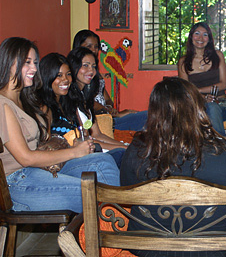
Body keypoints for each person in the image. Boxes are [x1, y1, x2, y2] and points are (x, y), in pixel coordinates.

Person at [120, 77, 226, 256]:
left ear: (154, 113)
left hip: (147, 251)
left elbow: (126, 196)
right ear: (199, 109)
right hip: (211, 251)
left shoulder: (136, 151)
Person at [0, 37, 119, 213]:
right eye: (27, 62)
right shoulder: (3, 105)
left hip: (39, 170)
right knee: (92, 193)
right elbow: (25, 158)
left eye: (35, 62)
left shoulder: (24, 99)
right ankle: (114, 230)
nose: (34, 68)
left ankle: (112, 229)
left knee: (103, 161)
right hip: (18, 182)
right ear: (9, 63)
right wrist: (74, 152)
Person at [72, 30, 147, 131]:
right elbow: (87, 103)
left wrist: (109, 108)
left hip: (108, 117)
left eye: (96, 47)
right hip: (98, 121)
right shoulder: (78, 74)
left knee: (146, 116)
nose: (93, 50)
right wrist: (110, 112)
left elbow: (107, 99)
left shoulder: (94, 73)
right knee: (145, 118)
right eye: (89, 46)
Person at [63, 47, 128, 165]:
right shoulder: (69, 98)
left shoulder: (85, 98)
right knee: (123, 154)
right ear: (73, 66)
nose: (91, 71)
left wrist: (123, 145)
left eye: (93, 66)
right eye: (86, 65)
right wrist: (122, 148)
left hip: (96, 149)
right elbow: (87, 140)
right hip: (85, 155)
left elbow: (97, 134)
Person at [178, 22, 226, 136]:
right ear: (191, 37)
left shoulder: (218, 55)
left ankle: (219, 143)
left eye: (205, 35)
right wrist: (203, 98)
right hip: (197, 105)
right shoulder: (183, 62)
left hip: (220, 103)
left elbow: (224, 84)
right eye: (197, 34)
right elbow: (186, 91)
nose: (201, 38)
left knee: (212, 107)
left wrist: (198, 90)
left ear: (209, 39)